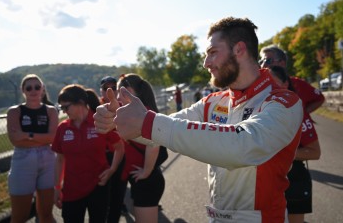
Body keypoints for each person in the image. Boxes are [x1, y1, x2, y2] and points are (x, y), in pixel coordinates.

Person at [94, 17, 304, 223]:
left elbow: (242, 146)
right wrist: (117, 123)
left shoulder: (284, 102)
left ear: (239, 49)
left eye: (212, 53)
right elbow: (158, 134)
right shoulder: (213, 101)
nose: (206, 63)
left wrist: (146, 122)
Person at [52, 84, 124, 223]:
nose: (64, 112)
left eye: (66, 107)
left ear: (80, 103)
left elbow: (119, 147)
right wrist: (56, 187)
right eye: (61, 108)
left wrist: (112, 169)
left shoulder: (100, 122)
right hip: (72, 189)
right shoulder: (62, 128)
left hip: (98, 186)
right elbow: (59, 159)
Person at [268, 66, 321, 223]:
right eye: (263, 83)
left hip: (294, 181)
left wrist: (281, 153)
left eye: (272, 83)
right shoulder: (253, 108)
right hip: (264, 183)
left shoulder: (296, 111)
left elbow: (315, 152)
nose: (267, 89)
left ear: (285, 84)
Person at [114, 73, 166, 223]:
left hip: (146, 180)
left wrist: (146, 171)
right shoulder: (138, 111)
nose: (118, 96)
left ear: (131, 91)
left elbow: (153, 144)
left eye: (120, 91)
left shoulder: (142, 113)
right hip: (145, 178)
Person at [7, 74, 58, 223]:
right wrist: (41, 138)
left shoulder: (50, 111)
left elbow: (52, 138)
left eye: (37, 87)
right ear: (23, 91)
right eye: (29, 88)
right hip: (23, 161)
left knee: (46, 214)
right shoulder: (14, 111)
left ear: (42, 89)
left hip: (48, 160)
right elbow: (16, 140)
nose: (33, 90)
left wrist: (27, 134)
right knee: (19, 217)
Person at [259, 44, 325, 115]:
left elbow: (320, 99)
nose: (263, 65)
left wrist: (302, 114)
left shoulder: (297, 84)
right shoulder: (259, 89)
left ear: (282, 63)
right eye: (261, 61)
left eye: (267, 60)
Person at [99, 76, 128, 223]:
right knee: (101, 199)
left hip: (120, 154)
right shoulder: (94, 106)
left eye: (113, 87)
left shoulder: (124, 107)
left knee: (117, 193)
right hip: (101, 157)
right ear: (101, 90)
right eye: (105, 88)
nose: (109, 91)